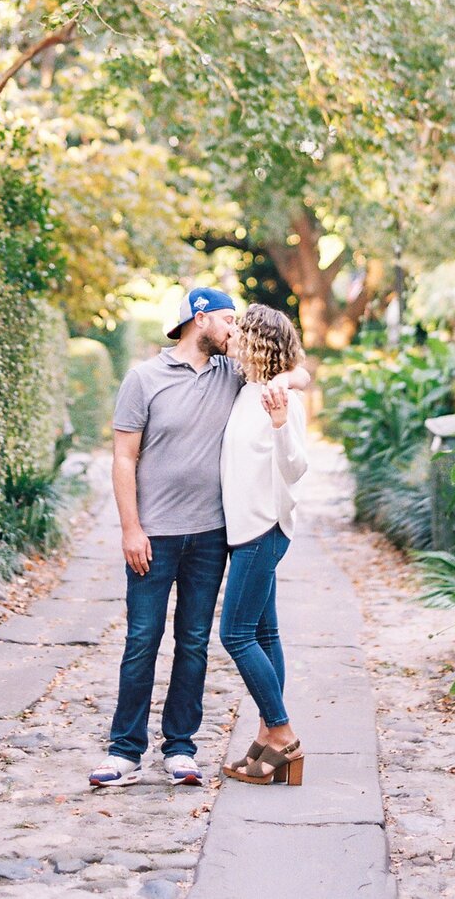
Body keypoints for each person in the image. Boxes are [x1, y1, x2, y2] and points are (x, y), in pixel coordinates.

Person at [88, 287, 309, 788]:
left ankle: (181, 749)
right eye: (229, 320)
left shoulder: (234, 374)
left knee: (194, 643)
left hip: (212, 535)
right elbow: (124, 458)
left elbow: (292, 370)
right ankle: (124, 751)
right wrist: (130, 528)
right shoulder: (143, 378)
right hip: (153, 535)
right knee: (142, 640)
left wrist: (292, 379)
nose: (236, 331)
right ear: (200, 317)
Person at [218, 304, 308, 785]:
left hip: (263, 528)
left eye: (239, 331)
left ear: (256, 342)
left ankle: (283, 733)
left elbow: (296, 468)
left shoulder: (278, 398)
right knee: (265, 634)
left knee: (234, 634)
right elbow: (303, 371)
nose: (230, 336)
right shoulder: (248, 388)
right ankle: (266, 739)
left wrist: (278, 425)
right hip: (244, 529)